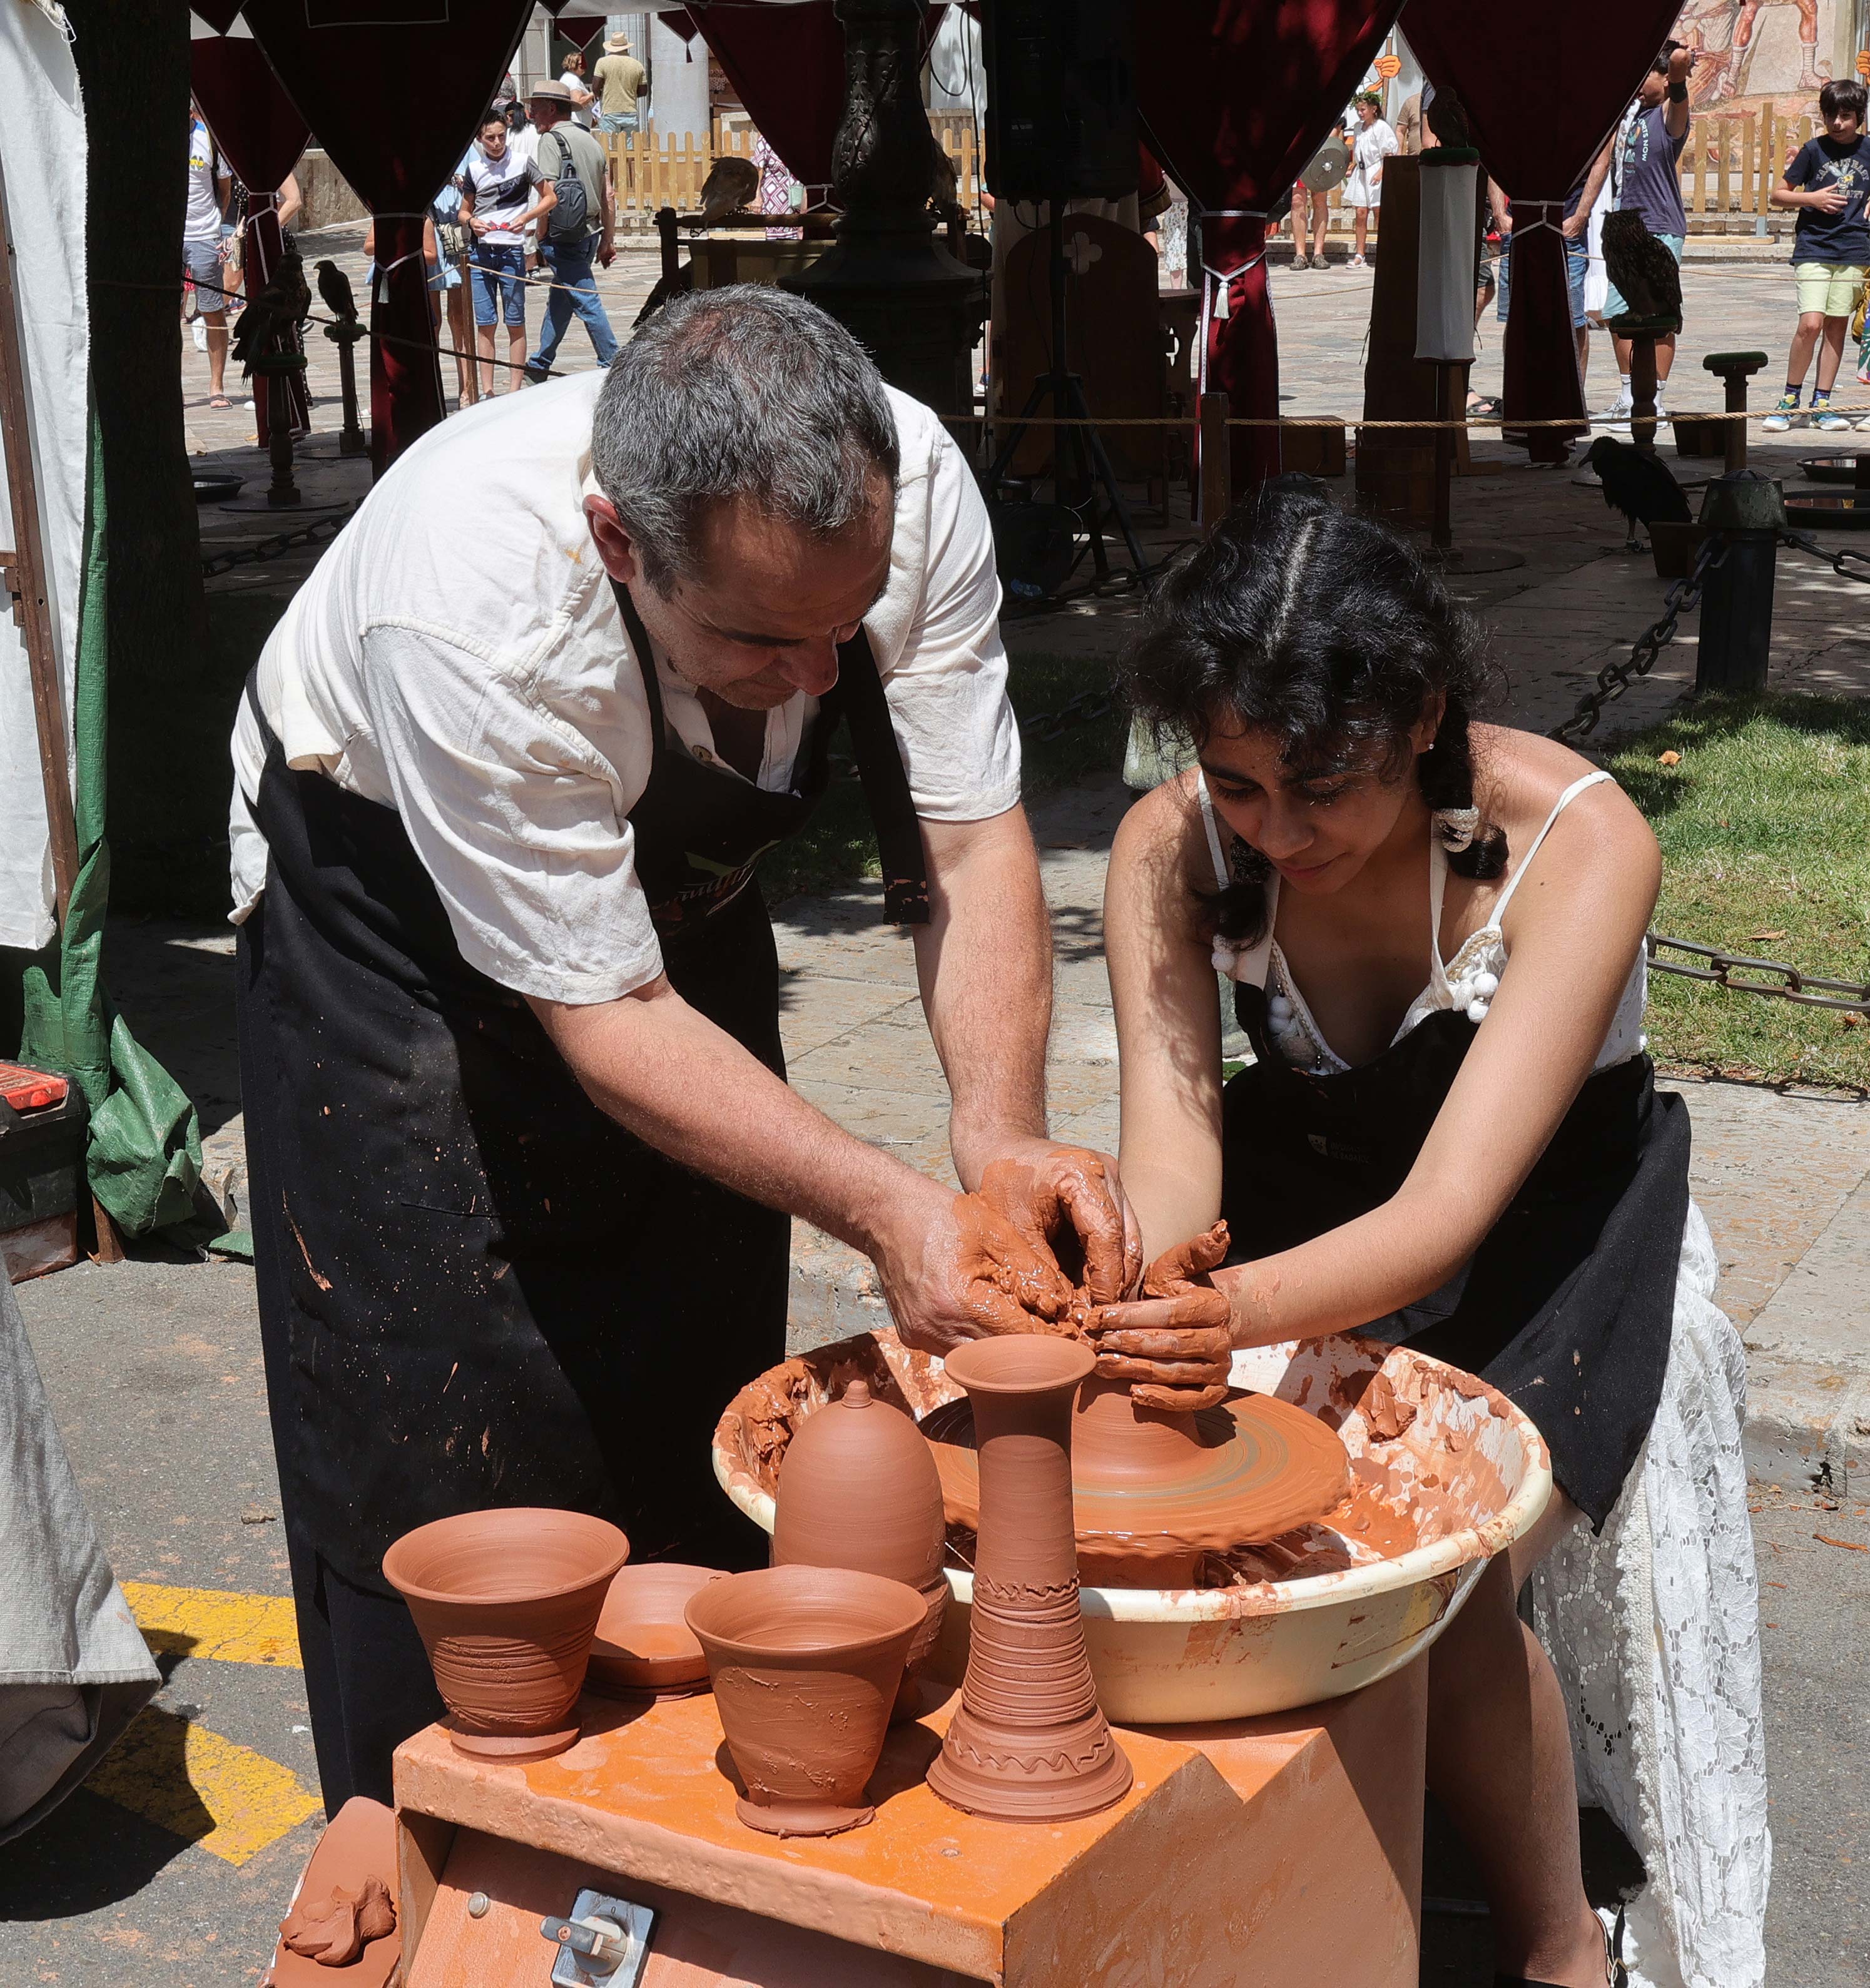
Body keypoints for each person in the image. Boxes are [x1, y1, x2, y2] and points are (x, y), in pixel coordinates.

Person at [225, 285, 1131, 1812]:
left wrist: (995, 1145)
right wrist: (890, 1209)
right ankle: (419, 1895)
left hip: (658, 904)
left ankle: (691, 1881)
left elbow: (972, 849)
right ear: (617, 544)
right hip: (387, 953)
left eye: (845, 629)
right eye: (767, 643)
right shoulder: (473, 610)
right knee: (444, 1470)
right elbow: (612, 1020)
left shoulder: (901, 487)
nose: (822, 681)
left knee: (706, 1412)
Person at [1097, 488, 1768, 1988]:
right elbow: (1178, 1173)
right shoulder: (1172, 848)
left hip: (1552, 1223)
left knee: (1424, 1565)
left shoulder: (1579, 843)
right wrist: (1127, 1298)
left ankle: (1555, 1952)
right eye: (1239, 784)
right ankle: (1270, 1904)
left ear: (1423, 716)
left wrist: (1227, 1314)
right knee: (1179, 1523)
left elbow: (1448, 1215)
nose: (1279, 830)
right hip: (1305, 1204)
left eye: (1320, 783)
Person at [1574, 44, 1692, 425]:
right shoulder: (1631, 116)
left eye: (1645, 76)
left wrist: (1676, 67)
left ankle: (1654, 395)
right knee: (1617, 314)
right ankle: (1629, 394)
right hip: (1624, 229)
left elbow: (1677, 89)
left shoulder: (1669, 117)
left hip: (1658, 225)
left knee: (1658, 315)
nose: (1638, 85)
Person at [1763, 76, 1870, 434]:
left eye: (1845, 115)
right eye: (1831, 116)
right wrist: (1813, 198)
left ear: (1859, 117)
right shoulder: (1813, 150)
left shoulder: (1869, 151)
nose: (1837, 123)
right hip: (1814, 246)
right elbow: (1778, 195)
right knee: (1810, 324)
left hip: (1855, 249)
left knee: (1836, 327)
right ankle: (1789, 399)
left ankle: (1821, 402)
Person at [523, 80, 619, 380]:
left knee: (585, 299)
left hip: (563, 235)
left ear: (552, 109)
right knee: (562, 299)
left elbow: (548, 194)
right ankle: (539, 365)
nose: (531, 114)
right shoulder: (590, 140)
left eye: (536, 109)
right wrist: (608, 239)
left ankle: (614, 361)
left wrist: (540, 233)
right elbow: (609, 196)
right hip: (590, 233)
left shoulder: (551, 141)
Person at [457, 109, 554, 396]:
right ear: (480, 139)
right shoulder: (474, 170)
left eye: (501, 136)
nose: (497, 143)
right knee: (485, 323)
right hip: (482, 252)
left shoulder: (523, 163)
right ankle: (487, 390)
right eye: (490, 138)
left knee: (516, 321)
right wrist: (472, 222)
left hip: (512, 251)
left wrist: (527, 218)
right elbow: (464, 210)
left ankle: (515, 391)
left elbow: (550, 197)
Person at [185, 104, 235, 410]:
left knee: (212, 310)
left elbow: (225, 191)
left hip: (204, 234)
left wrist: (215, 226)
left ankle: (216, 386)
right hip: (167, 237)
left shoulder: (210, 141)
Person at [1343, 93, 1396, 269]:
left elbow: (1389, 152)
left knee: (1379, 212)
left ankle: (1385, 252)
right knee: (1360, 213)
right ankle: (1360, 254)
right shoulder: (1359, 128)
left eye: (1363, 109)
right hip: (1362, 171)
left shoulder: (1381, 127)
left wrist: (1382, 172)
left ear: (1374, 109)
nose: (1360, 113)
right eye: (1358, 110)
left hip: (1376, 169)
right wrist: (1353, 164)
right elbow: (1359, 149)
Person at [594, 31, 647, 136]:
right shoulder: (637, 65)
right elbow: (643, 91)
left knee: (610, 149)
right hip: (630, 111)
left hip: (610, 111)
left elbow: (596, 88)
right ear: (627, 47)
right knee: (631, 150)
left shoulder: (602, 62)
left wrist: (602, 96)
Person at [558, 48, 596, 128]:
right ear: (573, 64)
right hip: (579, 124)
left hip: (573, 123)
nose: (584, 68)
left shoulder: (566, 78)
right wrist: (593, 94)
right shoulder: (573, 80)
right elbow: (578, 103)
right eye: (581, 65)